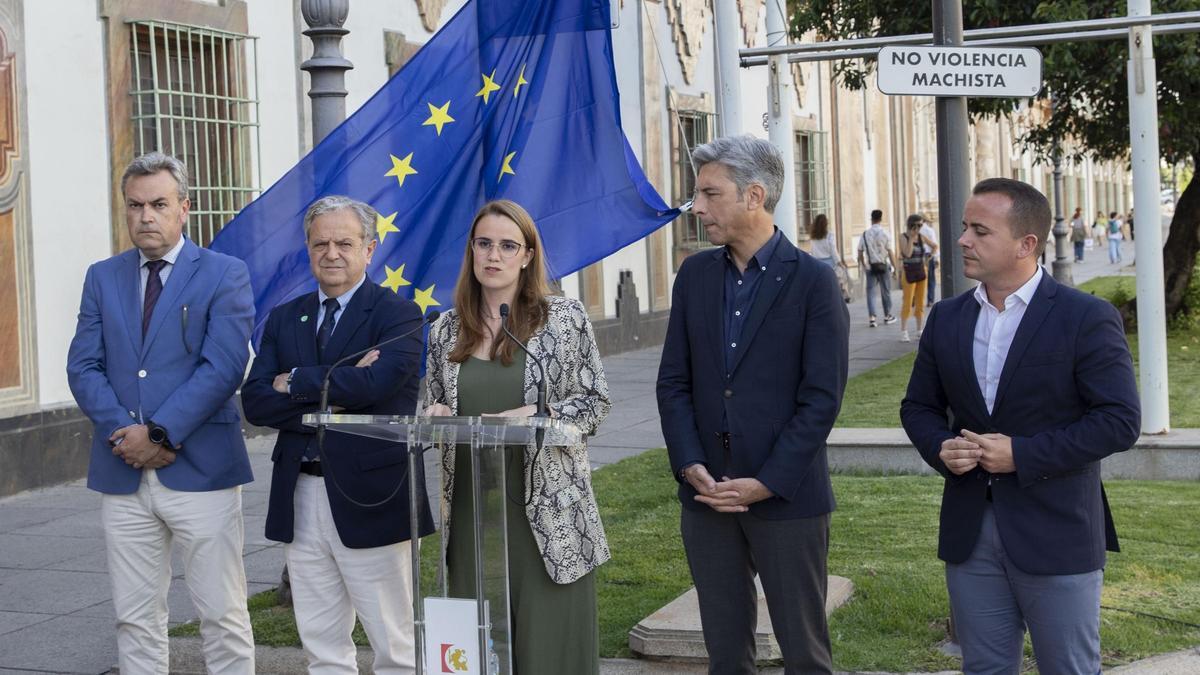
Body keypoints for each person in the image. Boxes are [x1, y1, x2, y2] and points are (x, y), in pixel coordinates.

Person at [900, 177, 1140, 675]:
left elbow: (1119, 421)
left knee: (1069, 668)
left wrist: (1022, 454)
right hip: (971, 529)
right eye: (965, 227)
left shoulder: (1085, 317)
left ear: (1026, 244)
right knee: (984, 667)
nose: (963, 239)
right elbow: (918, 407)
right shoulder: (946, 319)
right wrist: (941, 446)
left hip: (1057, 531)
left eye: (980, 231)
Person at [657, 135, 849, 674]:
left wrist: (766, 482)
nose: (696, 208)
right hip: (706, 497)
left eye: (708, 194)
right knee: (724, 651)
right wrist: (691, 465)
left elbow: (821, 398)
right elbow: (673, 382)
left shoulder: (814, 281)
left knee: (805, 652)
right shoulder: (694, 276)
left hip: (786, 497)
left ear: (754, 197)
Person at [66, 152, 256, 674]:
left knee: (221, 615)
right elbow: (83, 367)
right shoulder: (102, 277)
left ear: (184, 209)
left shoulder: (225, 274)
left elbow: (223, 367)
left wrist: (160, 432)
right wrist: (127, 436)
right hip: (121, 468)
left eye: (158, 204)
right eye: (135, 205)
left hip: (202, 470)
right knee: (135, 619)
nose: (146, 216)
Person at [241, 195, 433, 674]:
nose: (332, 253)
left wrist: (299, 381)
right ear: (308, 249)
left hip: (373, 494)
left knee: (395, 644)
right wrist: (335, 393)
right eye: (320, 243)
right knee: (322, 643)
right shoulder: (287, 317)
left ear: (369, 249)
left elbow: (381, 385)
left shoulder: (398, 314)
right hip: (300, 493)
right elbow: (257, 401)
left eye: (344, 243)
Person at [423, 199, 612, 674]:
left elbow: (594, 403)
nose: (494, 255)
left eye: (508, 246)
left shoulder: (564, 320)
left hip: (549, 519)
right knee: (478, 654)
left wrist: (538, 413)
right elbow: (428, 406)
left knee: (549, 652)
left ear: (528, 255)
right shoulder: (445, 330)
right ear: (471, 250)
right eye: (484, 243)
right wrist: (435, 413)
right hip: (471, 515)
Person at [898, 214, 937, 342]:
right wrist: (910, 237)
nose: (920, 228)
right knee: (908, 302)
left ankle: (919, 329)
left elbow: (935, 246)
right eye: (918, 225)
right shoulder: (903, 237)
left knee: (920, 302)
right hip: (909, 272)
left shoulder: (921, 237)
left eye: (921, 225)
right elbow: (907, 254)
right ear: (911, 225)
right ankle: (904, 331)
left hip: (921, 271)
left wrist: (929, 256)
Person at [857, 208, 897, 327]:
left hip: (870, 267)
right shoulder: (885, 233)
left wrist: (864, 265)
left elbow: (859, 251)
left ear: (871, 219)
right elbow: (890, 251)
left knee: (871, 292)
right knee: (886, 291)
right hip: (883, 265)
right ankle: (887, 315)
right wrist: (896, 268)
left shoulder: (865, 234)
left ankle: (872, 318)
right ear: (881, 218)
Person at [919, 216, 940, 304]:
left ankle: (915, 300)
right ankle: (930, 300)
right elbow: (935, 245)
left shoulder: (916, 231)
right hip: (928, 256)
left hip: (918, 256)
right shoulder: (929, 230)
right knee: (931, 279)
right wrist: (935, 257)